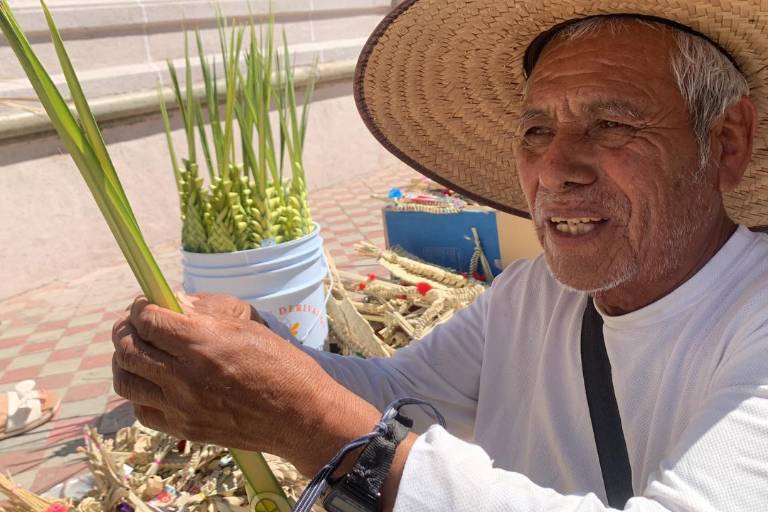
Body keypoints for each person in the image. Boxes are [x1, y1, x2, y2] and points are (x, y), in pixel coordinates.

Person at [111, 1, 768, 510]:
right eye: (536, 130)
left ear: (727, 143)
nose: (555, 167)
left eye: (613, 125)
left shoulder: (753, 320)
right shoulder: (533, 295)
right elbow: (400, 397)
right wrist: (254, 351)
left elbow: (345, 422)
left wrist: (309, 420)